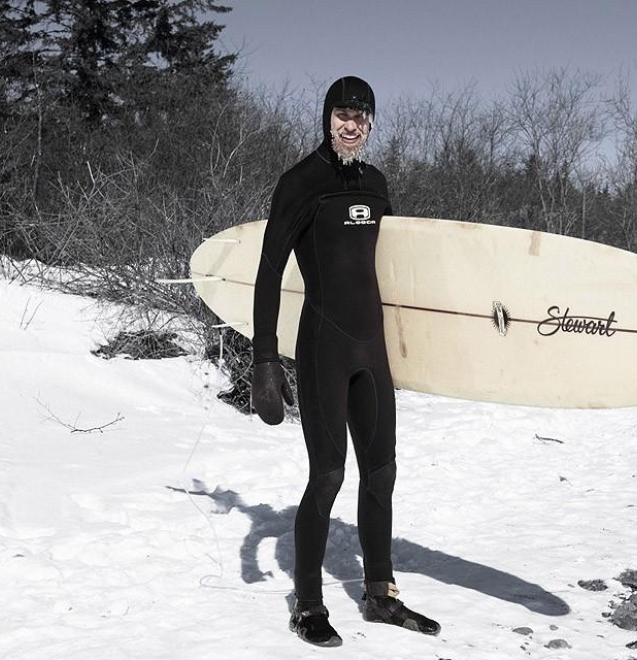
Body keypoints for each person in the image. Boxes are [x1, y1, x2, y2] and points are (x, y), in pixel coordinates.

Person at [251, 76, 441, 647]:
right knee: (329, 474)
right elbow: (267, 272)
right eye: (341, 113)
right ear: (326, 117)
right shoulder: (300, 182)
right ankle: (308, 604)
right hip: (323, 347)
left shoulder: (379, 186)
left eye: (361, 115)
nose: (350, 124)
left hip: (372, 348)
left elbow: (394, 268)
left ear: (372, 123)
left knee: (381, 472)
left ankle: (380, 594)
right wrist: (264, 360)